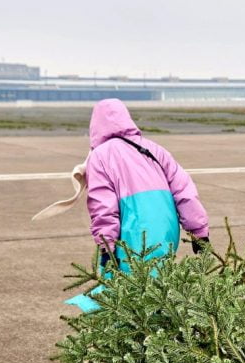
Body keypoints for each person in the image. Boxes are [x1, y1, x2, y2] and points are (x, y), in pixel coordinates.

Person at [32, 98, 210, 312]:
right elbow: (185, 191)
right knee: (160, 282)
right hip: (167, 227)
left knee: (126, 289)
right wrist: (199, 232)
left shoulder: (100, 156)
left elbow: (103, 207)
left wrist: (106, 247)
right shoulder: (154, 149)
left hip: (133, 228)